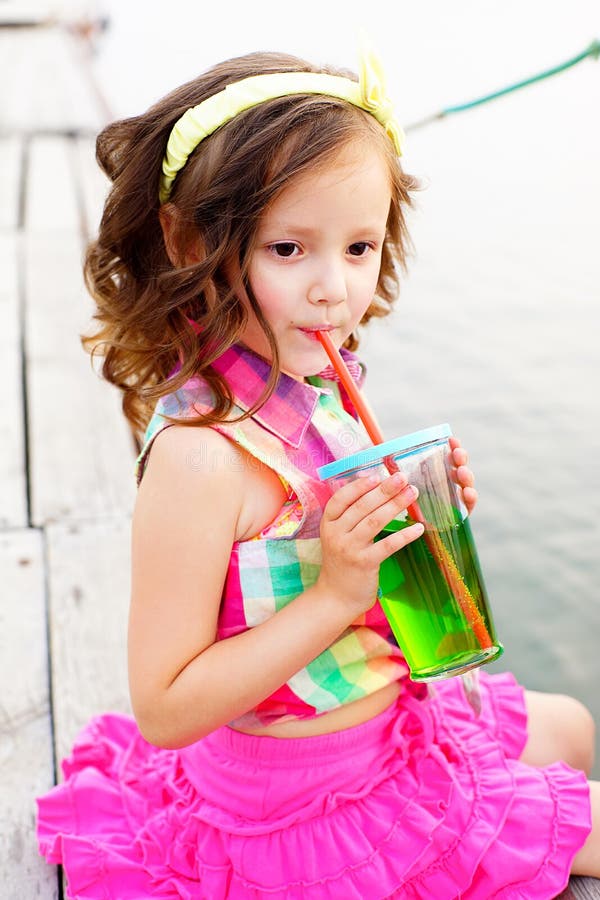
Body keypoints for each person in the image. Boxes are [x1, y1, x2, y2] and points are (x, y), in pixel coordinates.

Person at [36, 46, 599, 899]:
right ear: (191, 242)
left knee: (574, 726)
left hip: (392, 726)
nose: (335, 288)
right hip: (304, 802)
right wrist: (335, 593)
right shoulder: (200, 457)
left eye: (359, 246)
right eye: (289, 248)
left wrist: (406, 520)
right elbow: (165, 707)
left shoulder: (316, 387)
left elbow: (333, 547)